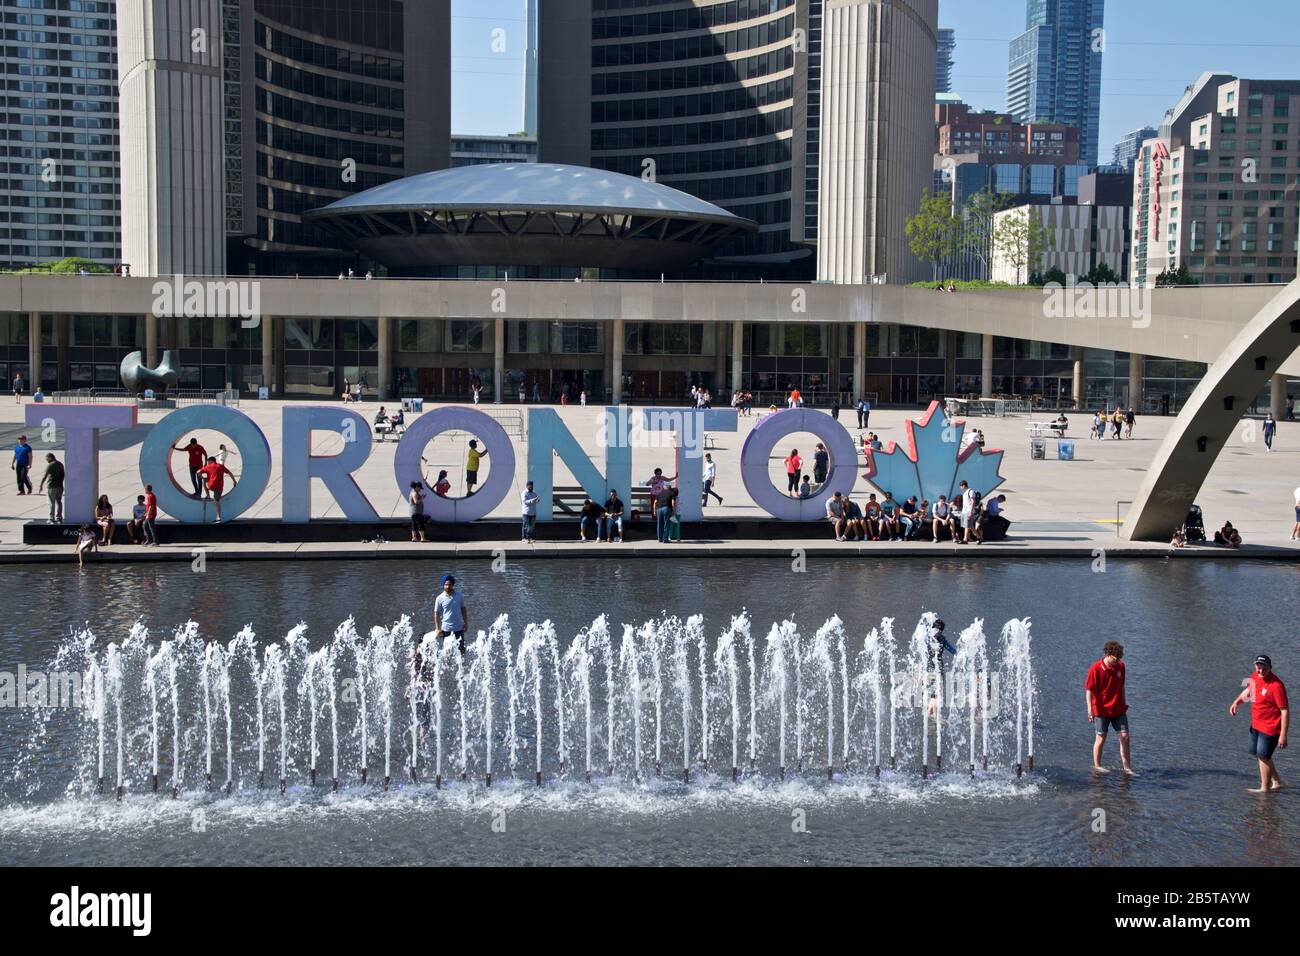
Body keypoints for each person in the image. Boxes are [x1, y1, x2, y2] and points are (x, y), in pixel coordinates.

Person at [1229, 654, 1288, 793]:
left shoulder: (1276, 686)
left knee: (1263, 756)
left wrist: (1283, 735)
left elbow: (1284, 711)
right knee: (1260, 754)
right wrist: (1237, 702)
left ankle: (1264, 788)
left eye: (1264, 667)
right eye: (1258, 667)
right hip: (1256, 724)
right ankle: (1277, 782)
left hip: (1270, 727)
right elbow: (1249, 692)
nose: (1260, 670)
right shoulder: (1254, 676)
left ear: (1270, 667)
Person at [1085, 641, 1134, 775]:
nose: (1117, 661)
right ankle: (1097, 766)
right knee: (1101, 737)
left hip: (1118, 708)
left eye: (1119, 658)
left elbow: (1122, 685)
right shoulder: (1095, 668)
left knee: (1125, 736)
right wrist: (1090, 710)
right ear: (1107, 654)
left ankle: (1127, 768)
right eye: (1115, 658)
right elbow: (1089, 690)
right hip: (1101, 710)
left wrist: (1124, 703)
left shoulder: (1121, 666)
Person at [433, 575, 468, 655]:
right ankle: (447, 668)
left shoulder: (459, 596)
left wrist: (466, 623)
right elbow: (436, 613)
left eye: (449, 584)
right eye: (446, 584)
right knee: (447, 653)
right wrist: (437, 628)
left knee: (461, 651)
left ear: (453, 585)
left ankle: (462, 667)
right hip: (446, 629)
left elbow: (463, 609)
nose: (447, 586)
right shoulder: (439, 598)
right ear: (443, 585)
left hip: (458, 628)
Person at [197, 455, 237, 523]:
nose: (208, 463)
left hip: (211, 486)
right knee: (216, 500)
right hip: (219, 487)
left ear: (210, 461)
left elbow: (198, 472)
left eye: (208, 462)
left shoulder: (208, 467)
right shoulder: (220, 466)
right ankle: (218, 517)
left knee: (205, 481)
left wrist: (202, 478)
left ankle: (208, 495)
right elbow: (230, 473)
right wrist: (234, 481)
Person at [38, 453, 64, 523]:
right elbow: (63, 475)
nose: (46, 460)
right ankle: (59, 518)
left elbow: (45, 476)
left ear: (50, 457)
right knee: (59, 502)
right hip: (60, 486)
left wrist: (41, 485)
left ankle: (51, 518)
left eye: (46, 458)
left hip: (51, 486)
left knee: (51, 503)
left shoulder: (50, 465)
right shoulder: (60, 464)